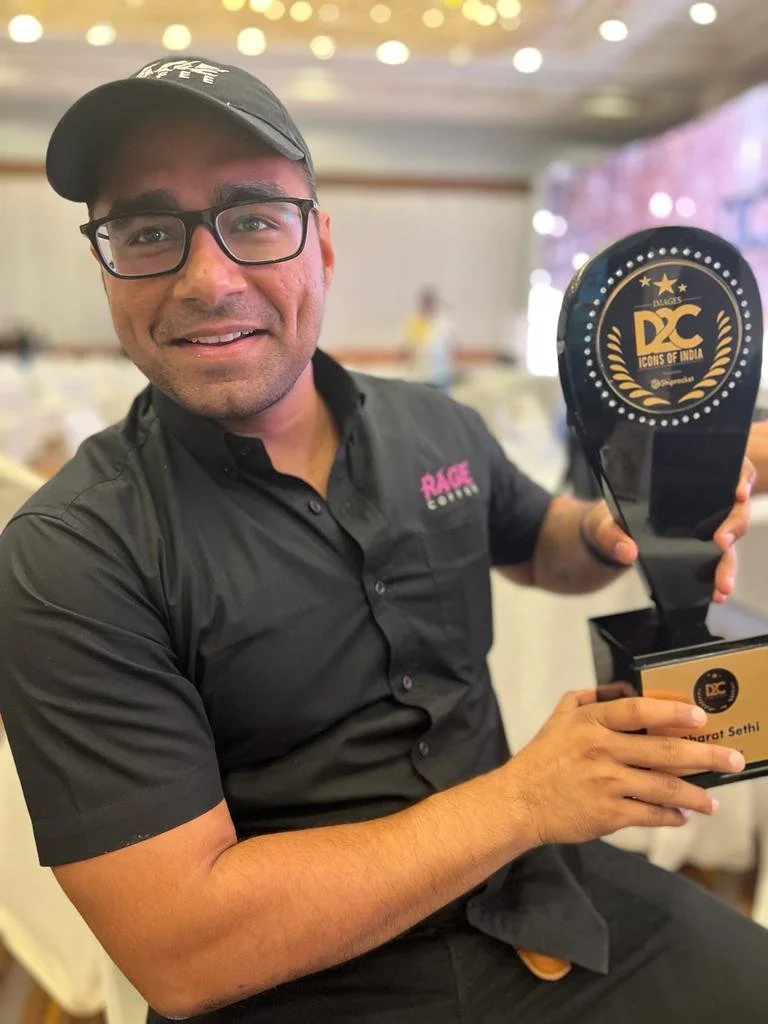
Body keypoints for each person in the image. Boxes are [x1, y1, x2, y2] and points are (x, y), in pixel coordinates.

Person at [0, 56, 765, 1024]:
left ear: (321, 244)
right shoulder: (73, 553)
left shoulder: (432, 428)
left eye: (253, 219)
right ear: (105, 265)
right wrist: (526, 799)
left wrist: (626, 527)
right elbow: (183, 949)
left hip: (539, 896)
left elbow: (545, 544)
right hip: (303, 978)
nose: (208, 277)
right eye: (149, 232)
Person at [403, 285, 457, 388]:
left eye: (431, 302)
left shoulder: (445, 323)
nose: (428, 305)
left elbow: (453, 348)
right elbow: (410, 347)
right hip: (419, 375)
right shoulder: (415, 322)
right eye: (426, 302)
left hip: (440, 374)